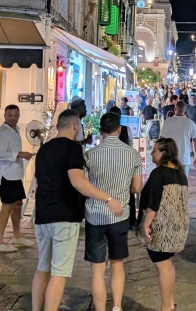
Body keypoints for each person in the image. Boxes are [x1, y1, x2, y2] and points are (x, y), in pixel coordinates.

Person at [31, 109, 122, 311]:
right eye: (79, 125)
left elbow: (39, 182)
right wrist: (108, 198)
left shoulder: (44, 149)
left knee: (42, 267)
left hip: (42, 214)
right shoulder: (72, 149)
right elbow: (78, 182)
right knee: (59, 272)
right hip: (64, 215)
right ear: (74, 125)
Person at [83, 112, 144, 311]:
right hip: (120, 215)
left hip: (95, 215)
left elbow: (84, 185)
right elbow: (136, 188)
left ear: (100, 131)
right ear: (119, 129)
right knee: (117, 265)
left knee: (97, 270)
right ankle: (117, 306)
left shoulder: (90, 156)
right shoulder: (132, 154)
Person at [141, 138, 189, 311]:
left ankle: (166, 306)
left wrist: (146, 224)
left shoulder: (159, 173)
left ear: (163, 153)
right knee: (167, 264)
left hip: (162, 226)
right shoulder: (181, 173)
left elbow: (153, 202)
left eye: (154, 150)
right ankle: (170, 303)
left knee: (162, 266)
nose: (152, 153)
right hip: (178, 225)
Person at [0, 104, 34, 252]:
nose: (13, 118)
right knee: (7, 206)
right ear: (4, 115)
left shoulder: (15, 130)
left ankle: (17, 235)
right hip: (5, 175)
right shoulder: (1, 133)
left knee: (17, 204)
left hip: (15, 174)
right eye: (10, 115)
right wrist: (20, 154)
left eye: (16, 115)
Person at [159, 101, 196, 172]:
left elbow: (161, 139)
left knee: (170, 182)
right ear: (185, 111)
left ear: (175, 109)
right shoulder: (190, 123)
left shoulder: (168, 122)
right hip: (185, 159)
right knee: (183, 182)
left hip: (170, 159)